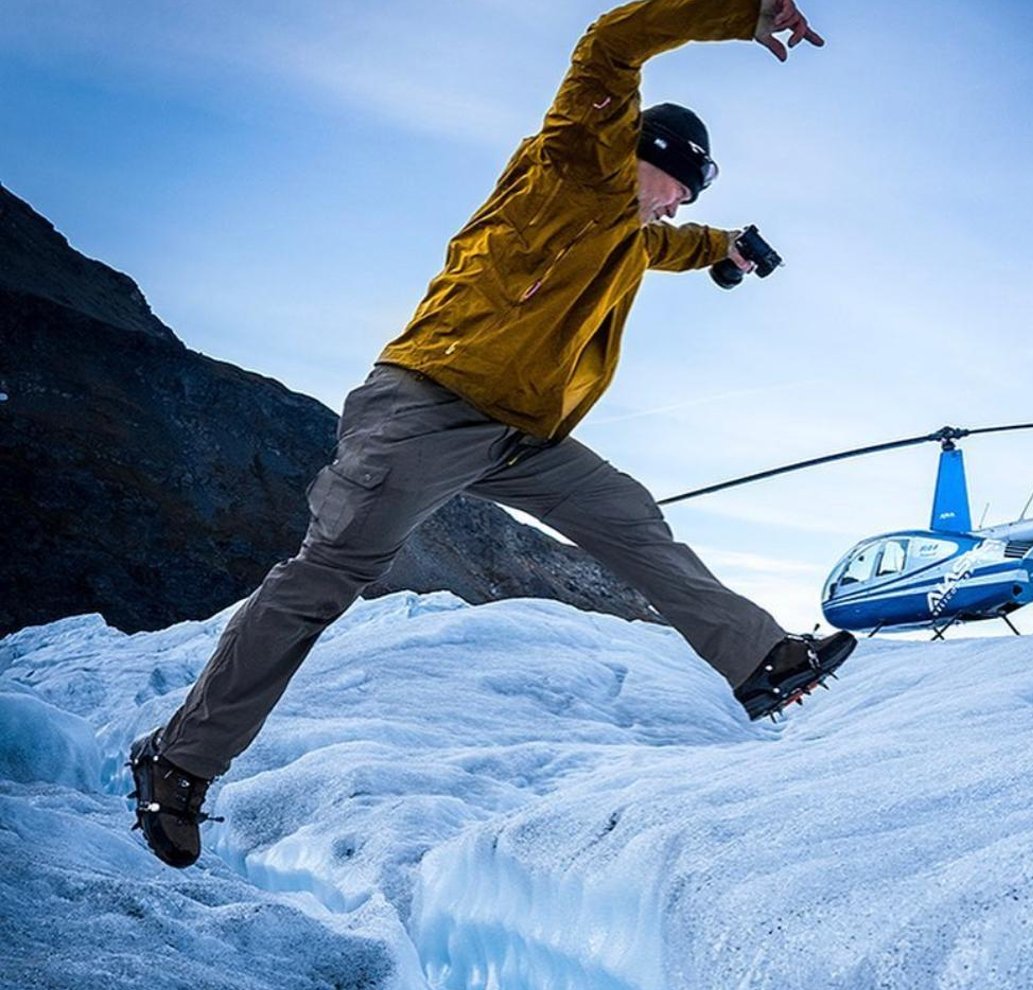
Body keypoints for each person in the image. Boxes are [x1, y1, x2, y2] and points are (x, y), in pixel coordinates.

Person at [129, 0, 856, 869]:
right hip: (431, 403)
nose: (683, 207)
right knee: (325, 578)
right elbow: (612, 41)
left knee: (626, 515)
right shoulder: (576, 164)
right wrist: (746, 13)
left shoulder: (630, 230)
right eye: (684, 189)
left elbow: (674, 246)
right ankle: (179, 761)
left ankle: (760, 660)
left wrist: (725, 249)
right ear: (648, 155)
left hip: (524, 434)